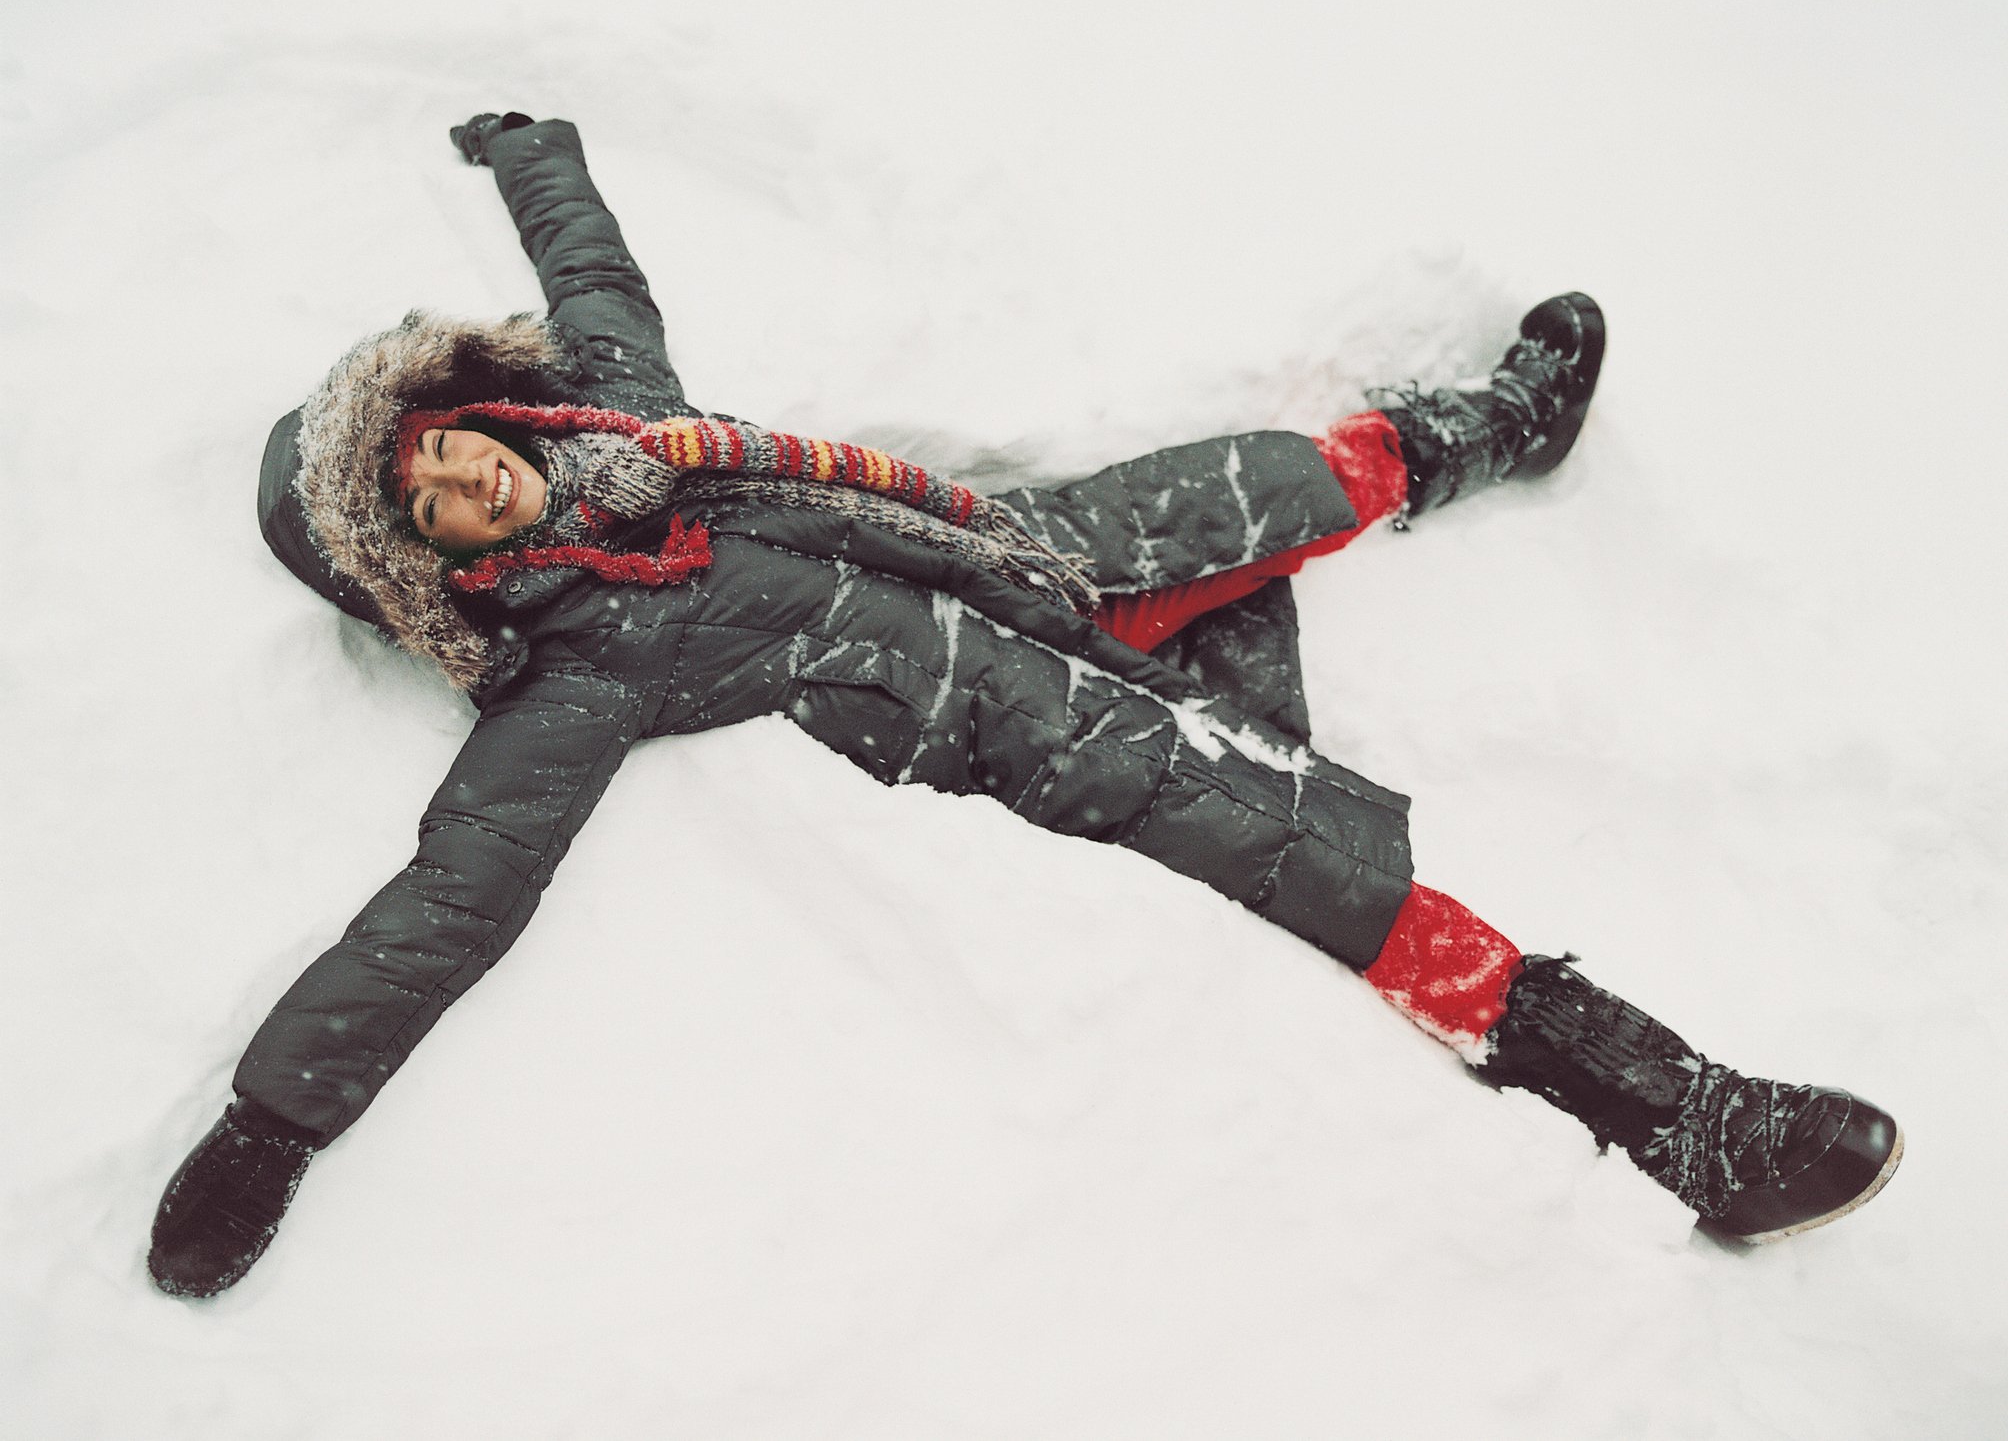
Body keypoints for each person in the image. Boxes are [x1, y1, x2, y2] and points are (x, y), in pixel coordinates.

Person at [147, 114, 1902, 1299]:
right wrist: (265, 1129)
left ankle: (1486, 432)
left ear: (454, 407)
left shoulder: (623, 417)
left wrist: (536, 144)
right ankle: (1683, 1114)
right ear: (434, 573)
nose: (456, 479)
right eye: (428, 513)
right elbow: (443, 908)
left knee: (1259, 481)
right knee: (1327, 878)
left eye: (430, 444)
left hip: (1017, 550)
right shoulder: (575, 669)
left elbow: (601, 275)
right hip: (1014, 725)